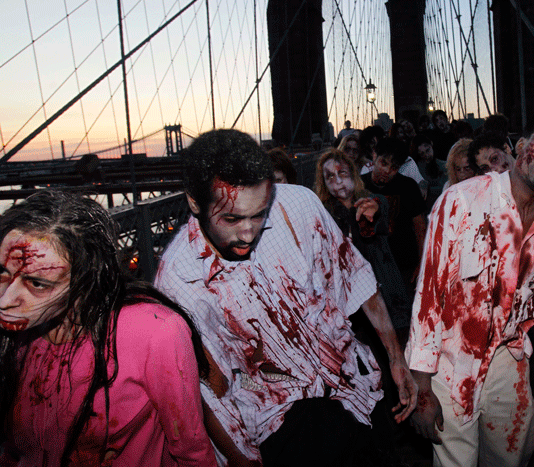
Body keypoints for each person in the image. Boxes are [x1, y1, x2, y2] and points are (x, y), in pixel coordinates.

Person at [155, 129, 417, 467]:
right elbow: (209, 388)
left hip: (356, 391)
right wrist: (241, 459)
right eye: (232, 218)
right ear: (194, 202)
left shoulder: (298, 205)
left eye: (259, 213)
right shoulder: (180, 279)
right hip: (279, 421)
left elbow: (354, 276)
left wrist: (396, 358)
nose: (248, 232)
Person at [406, 113, 534, 467]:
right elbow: (430, 295)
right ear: (521, 148)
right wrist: (421, 388)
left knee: (512, 457)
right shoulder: (461, 201)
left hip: (509, 359)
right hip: (448, 358)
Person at [0, 190, 216, 466]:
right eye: (3, 272)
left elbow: (191, 451)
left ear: (85, 279)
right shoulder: (15, 336)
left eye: (37, 283)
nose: (6, 300)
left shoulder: (154, 332)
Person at [314, 149, 412, 338]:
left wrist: (374, 213)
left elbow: (381, 214)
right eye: (330, 177)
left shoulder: (372, 201)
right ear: (324, 183)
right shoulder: (322, 215)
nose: (338, 181)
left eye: (342, 173)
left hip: (386, 296)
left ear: (353, 174)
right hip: (347, 304)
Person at [362, 137, 427, 293]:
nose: (387, 171)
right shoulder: (360, 185)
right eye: (383, 163)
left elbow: (420, 227)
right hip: (370, 269)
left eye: (394, 167)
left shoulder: (408, 186)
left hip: (404, 265)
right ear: (374, 156)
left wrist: (422, 264)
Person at [411, 134, 448, 211]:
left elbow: (445, 189)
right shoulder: (417, 167)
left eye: (427, 150)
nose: (426, 155)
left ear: (431, 144)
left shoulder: (444, 165)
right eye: (422, 153)